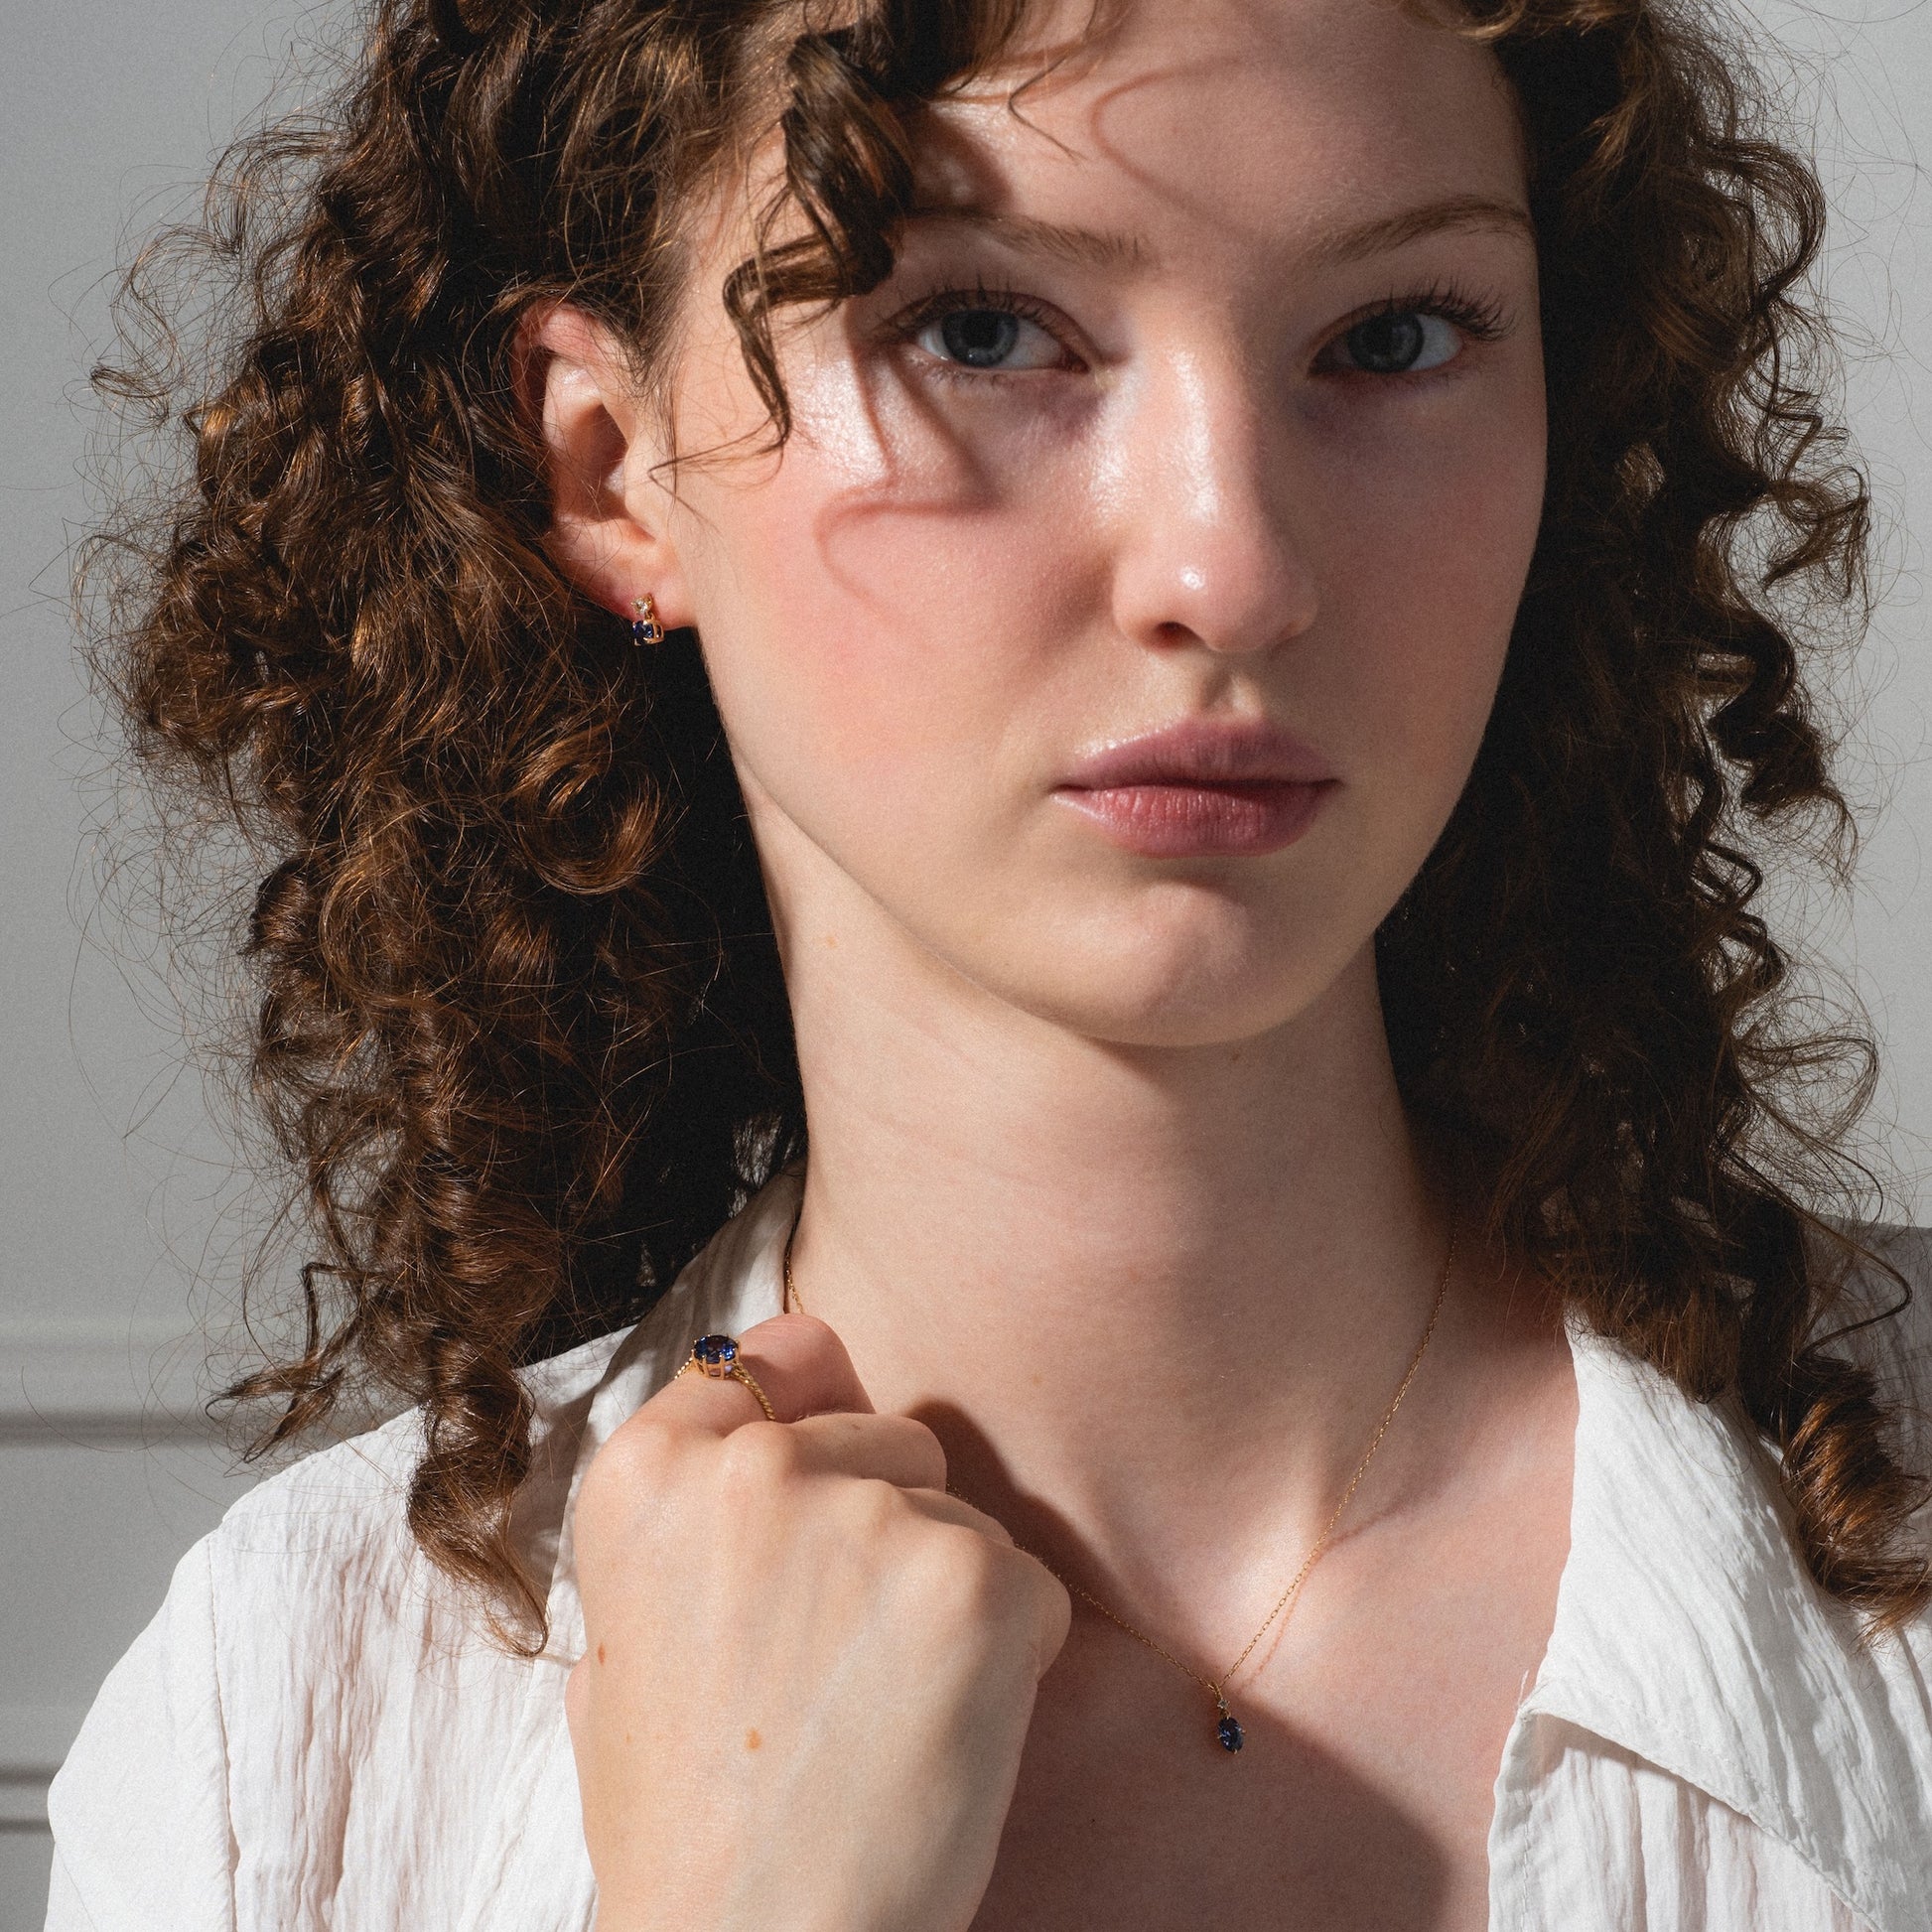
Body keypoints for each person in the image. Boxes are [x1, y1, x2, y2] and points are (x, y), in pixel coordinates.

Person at [46, 0, 1932, 1924]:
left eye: (1392, 336)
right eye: (974, 330)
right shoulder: (274, 1760)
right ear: (612, 469)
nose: (1230, 563)